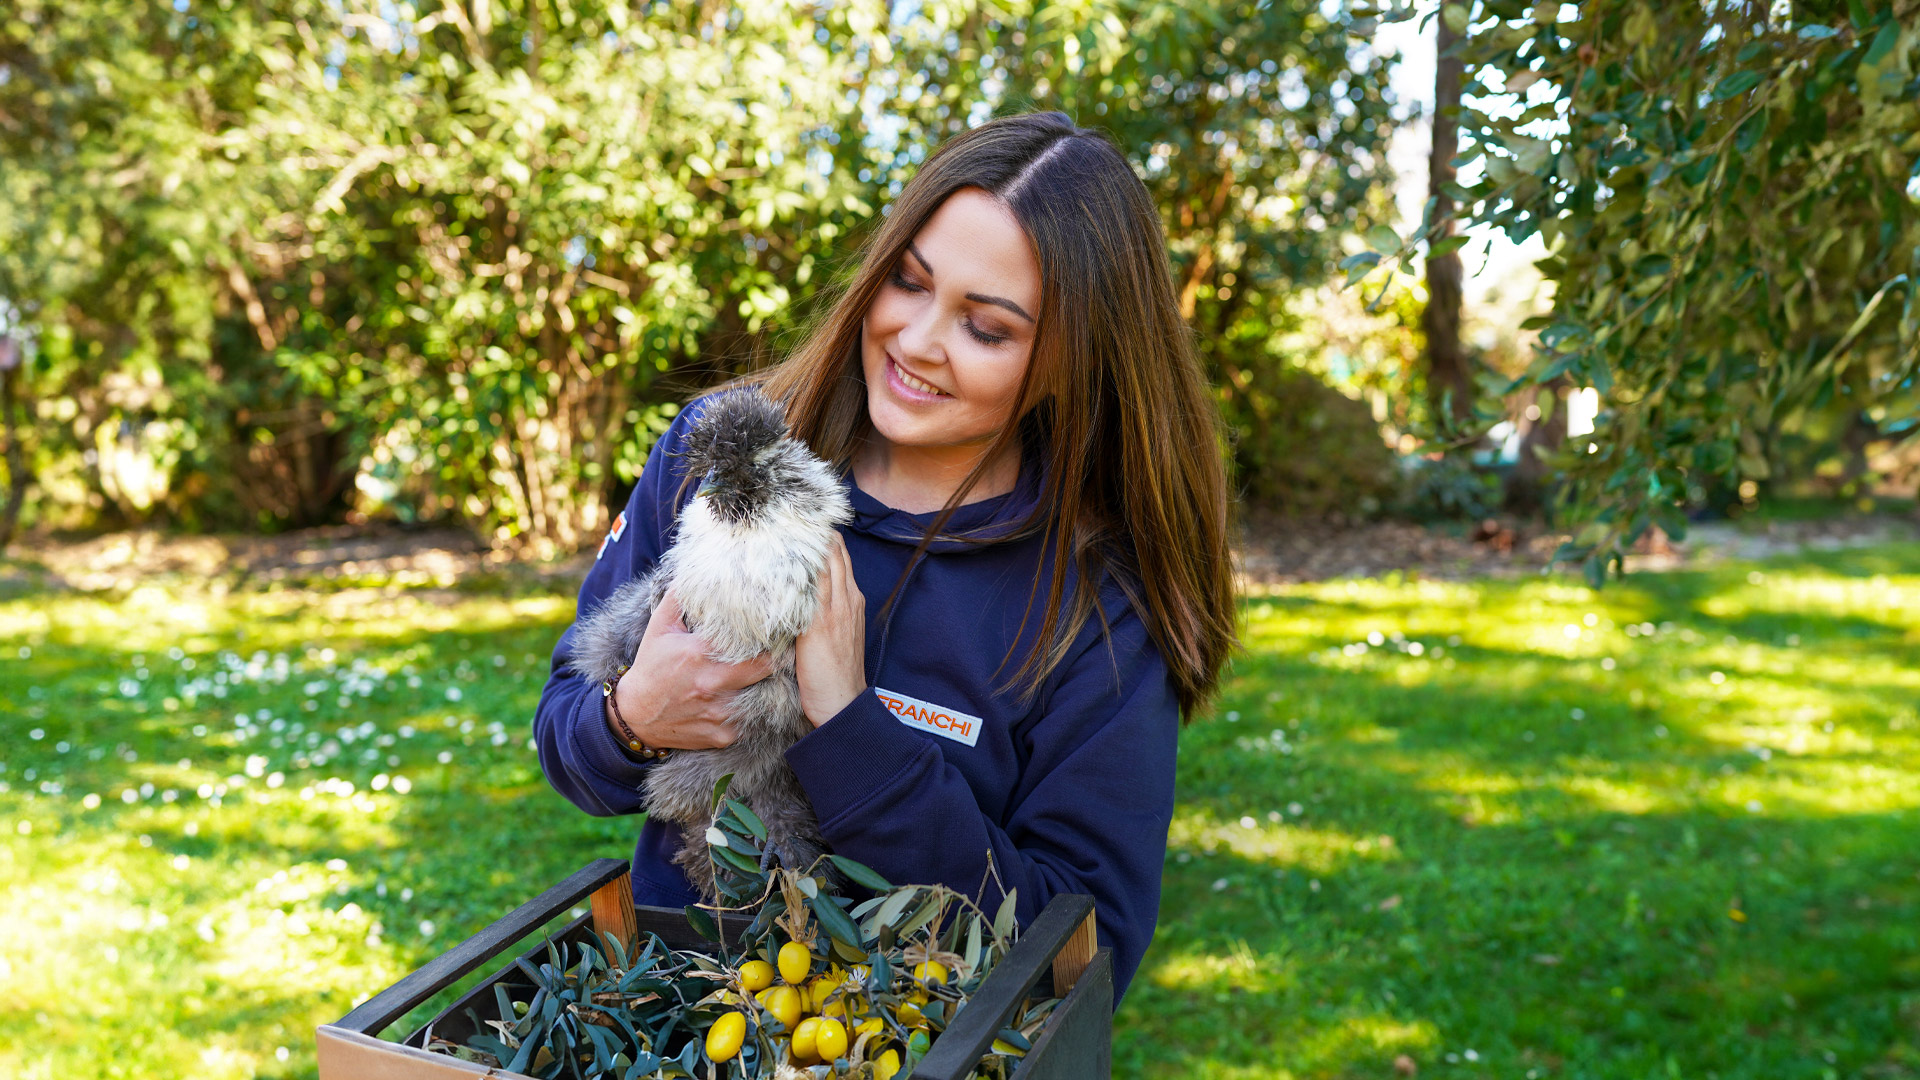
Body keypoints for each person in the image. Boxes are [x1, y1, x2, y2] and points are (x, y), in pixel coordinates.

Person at [531, 111, 1235, 1002]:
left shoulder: (1096, 607)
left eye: (987, 328)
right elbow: (566, 740)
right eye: (909, 281)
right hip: (677, 1024)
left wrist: (852, 731)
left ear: (1070, 361)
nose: (915, 341)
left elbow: (1080, 965)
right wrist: (633, 716)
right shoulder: (726, 455)